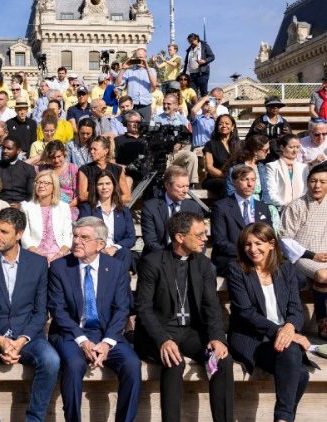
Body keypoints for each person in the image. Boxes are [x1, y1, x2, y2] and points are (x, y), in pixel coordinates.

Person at [135, 211, 234, 422]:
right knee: (174, 361)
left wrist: (217, 338)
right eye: (199, 235)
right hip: (159, 331)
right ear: (180, 237)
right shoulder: (152, 262)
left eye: (205, 233)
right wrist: (162, 339)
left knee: (222, 360)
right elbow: (143, 308)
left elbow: (212, 306)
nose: (205, 239)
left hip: (190, 331)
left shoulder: (204, 264)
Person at [0, 207, 60, 422]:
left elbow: (40, 311)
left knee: (51, 360)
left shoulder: (37, 264)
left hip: (26, 336)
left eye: (4, 232)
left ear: (19, 234)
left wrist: (20, 341)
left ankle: (34, 419)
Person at [48, 216, 140, 422]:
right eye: (75, 236)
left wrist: (107, 343)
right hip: (71, 334)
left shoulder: (116, 268)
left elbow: (121, 308)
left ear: (100, 244)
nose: (76, 241)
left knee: (132, 365)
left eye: (84, 237)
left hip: (107, 334)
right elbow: (58, 310)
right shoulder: (60, 267)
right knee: (73, 365)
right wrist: (83, 341)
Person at [227, 223, 312, 422]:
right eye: (247, 244)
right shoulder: (237, 269)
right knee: (296, 366)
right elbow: (245, 312)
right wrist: (283, 332)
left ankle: (281, 419)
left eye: (258, 243)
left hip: (283, 336)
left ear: (272, 244)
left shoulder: (286, 268)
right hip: (250, 337)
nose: (252, 249)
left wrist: (290, 327)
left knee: (298, 367)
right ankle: (283, 419)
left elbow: (295, 307)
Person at [280, 163, 327, 338]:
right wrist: (312, 255)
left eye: (323, 182)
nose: (317, 185)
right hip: (302, 257)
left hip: (325, 256)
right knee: (323, 275)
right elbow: (284, 239)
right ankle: (323, 320)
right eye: (313, 181)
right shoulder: (295, 206)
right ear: (307, 183)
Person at [212, 165, 273, 276]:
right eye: (245, 180)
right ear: (234, 182)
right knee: (250, 273)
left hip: (259, 256)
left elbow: (269, 236)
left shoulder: (263, 207)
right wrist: (249, 252)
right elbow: (220, 242)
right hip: (232, 258)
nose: (250, 184)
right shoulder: (221, 207)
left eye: (253, 180)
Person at [78, 170, 137, 273]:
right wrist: (100, 248)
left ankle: (117, 284)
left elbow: (131, 238)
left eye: (108, 183)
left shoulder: (123, 210)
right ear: (95, 187)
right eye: (100, 184)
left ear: (114, 186)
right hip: (95, 251)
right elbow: (83, 234)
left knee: (125, 253)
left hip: (117, 252)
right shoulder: (87, 209)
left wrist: (114, 248)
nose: (104, 187)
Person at [140, 166, 204, 255]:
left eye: (187, 186)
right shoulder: (151, 207)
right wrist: (171, 257)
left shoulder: (194, 207)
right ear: (167, 185)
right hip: (159, 256)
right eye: (181, 186)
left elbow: (200, 238)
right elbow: (150, 241)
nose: (185, 190)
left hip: (187, 255)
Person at [20, 170, 73, 264]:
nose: (41, 185)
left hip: (59, 254)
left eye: (46, 183)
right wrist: (40, 257)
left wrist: (59, 255)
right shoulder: (26, 207)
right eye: (39, 182)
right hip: (35, 254)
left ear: (54, 186)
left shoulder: (64, 207)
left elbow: (67, 237)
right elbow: (25, 238)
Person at [78, 136, 131, 204]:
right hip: (92, 206)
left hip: (113, 206)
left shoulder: (117, 169)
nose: (91, 152)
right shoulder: (85, 169)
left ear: (105, 151)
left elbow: (127, 197)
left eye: (95, 149)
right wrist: (105, 196)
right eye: (91, 149)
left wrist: (108, 200)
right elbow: (82, 196)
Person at [37, 140, 79, 218]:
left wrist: (66, 208)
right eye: (53, 157)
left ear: (64, 153)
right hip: (48, 205)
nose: (56, 160)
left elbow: (78, 196)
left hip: (68, 206)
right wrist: (41, 156)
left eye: (59, 156)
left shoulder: (72, 168)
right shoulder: (44, 168)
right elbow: (24, 165)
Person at [264, 134, 308, 209]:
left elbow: (305, 190)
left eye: (297, 147)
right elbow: (271, 191)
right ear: (282, 147)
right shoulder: (272, 166)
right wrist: (286, 206)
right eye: (291, 147)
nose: (295, 151)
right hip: (280, 208)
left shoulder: (303, 167)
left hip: (300, 208)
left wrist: (298, 206)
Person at [202, 114, 240, 198]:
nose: (224, 126)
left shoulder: (239, 144)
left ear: (233, 127)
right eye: (221, 124)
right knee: (225, 184)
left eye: (227, 123)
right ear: (217, 127)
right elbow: (209, 167)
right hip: (215, 179)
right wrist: (227, 177)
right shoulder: (210, 144)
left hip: (236, 178)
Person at [115, 48, 157, 122]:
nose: (139, 59)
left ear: (145, 58)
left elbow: (154, 85)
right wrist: (123, 69)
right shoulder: (129, 71)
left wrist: (147, 67)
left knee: (145, 127)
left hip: (146, 105)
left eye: (141, 57)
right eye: (137, 58)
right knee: (130, 126)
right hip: (132, 105)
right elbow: (117, 84)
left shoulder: (152, 70)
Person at [0, 138, 36, 205]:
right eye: (3, 148)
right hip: (0, 205)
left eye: (9, 148)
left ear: (18, 151)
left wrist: (21, 205)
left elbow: (31, 194)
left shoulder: (28, 169)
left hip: (22, 206)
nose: (5, 151)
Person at [247, 96, 291, 161]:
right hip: (262, 156)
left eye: (278, 106)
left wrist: (288, 134)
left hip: (279, 156)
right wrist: (255, 130)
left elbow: (290, 139)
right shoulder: (259, 121)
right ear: (267, 107)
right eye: (272, 106)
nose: (275, 108)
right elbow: (249, 138)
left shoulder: (283, 122)